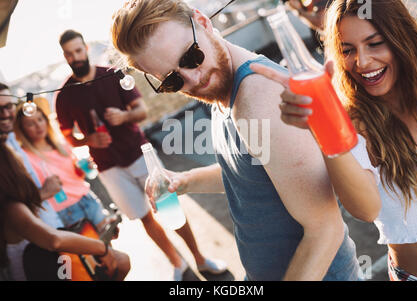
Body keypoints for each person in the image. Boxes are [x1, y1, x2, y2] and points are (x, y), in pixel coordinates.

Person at [111, 0, 361, 281]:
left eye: (191, 57)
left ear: (204, 23)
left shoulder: (256, 99)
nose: (193, 78)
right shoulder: (223, 90)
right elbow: (254, 172)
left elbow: (325, 229)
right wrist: (185, 181)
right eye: (172, 80)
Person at [251, 0, 417, 281]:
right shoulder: (351, 122)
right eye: (347, 50)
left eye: (374, 43)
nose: (362, 62)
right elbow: (366, 209)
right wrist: (321, 127)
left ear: (403, 38)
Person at [55, 29, 227, 280]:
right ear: (65, 56)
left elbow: (141, 110)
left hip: (138, 153)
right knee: (145, 218)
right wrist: (87, 139)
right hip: (108, 167)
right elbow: (67, 135)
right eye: (69, 54)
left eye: (78, 51)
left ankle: (200, 260)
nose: (75, 57)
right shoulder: (64, 95)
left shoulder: (112, 76)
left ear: (86, 49)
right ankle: (178, 264)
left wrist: (124, 116)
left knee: (169, 206)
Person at [0, 136, 130, 281]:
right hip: (44, 273)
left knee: (121, 262)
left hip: (54, 268)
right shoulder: (13, 209)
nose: (19, 156)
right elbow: (54, 240)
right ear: (7, 169)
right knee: (120, 263)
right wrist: (101, 248)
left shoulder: (13, 205)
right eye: (14, 153)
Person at [13, 103, 114, 233]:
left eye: (40, 119)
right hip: (66, 211)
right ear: (22, 129)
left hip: (87, 198)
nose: (38, 126)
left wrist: (82, 169)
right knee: (91, 250)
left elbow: (77, 174)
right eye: (30, 124)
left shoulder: (61, 145)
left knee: (108, 246)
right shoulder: (24, 157)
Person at [0, 82, 64, 229]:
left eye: (8, 106)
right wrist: (42, 194)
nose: (5, 114)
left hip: (52, 226)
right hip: (28, 242)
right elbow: (1, 207)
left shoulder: (11, 139)